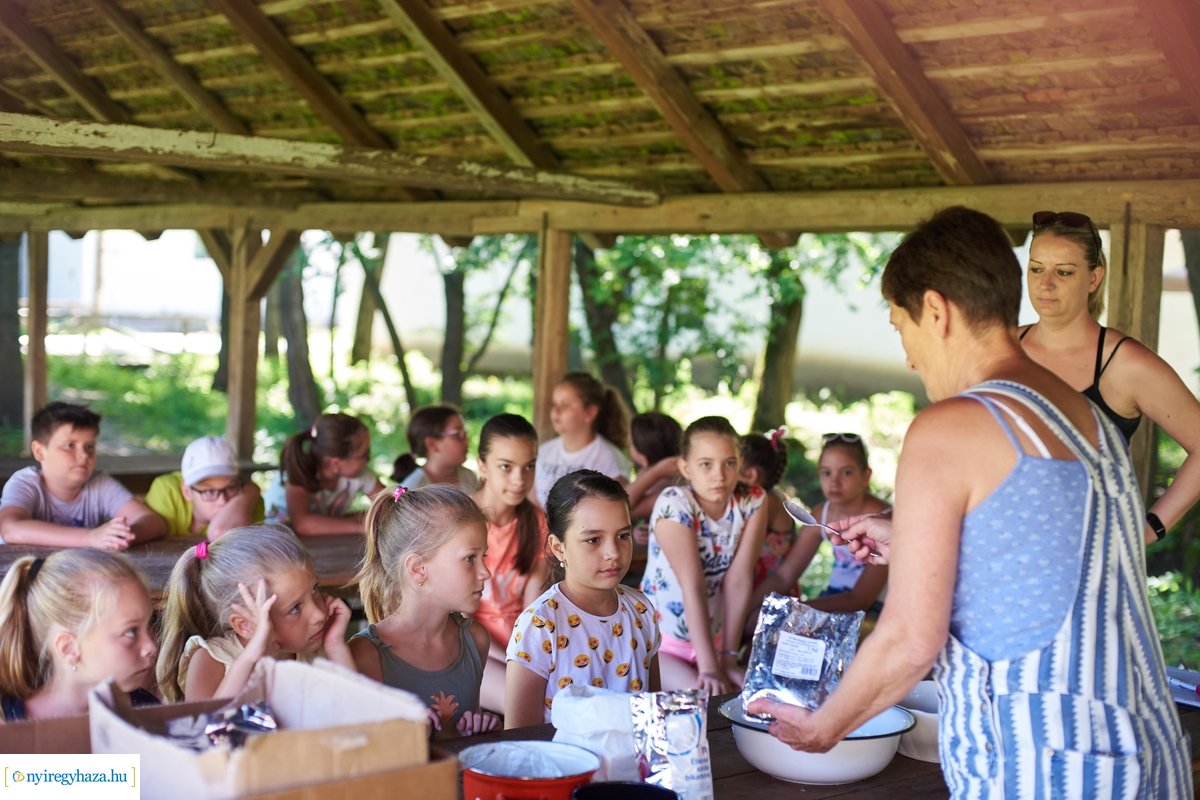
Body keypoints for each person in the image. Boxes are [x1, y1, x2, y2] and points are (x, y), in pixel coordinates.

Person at [749, 207, 1191, 798]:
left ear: (936, 310)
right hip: (1144, 758)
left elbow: (910, 640)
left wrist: (822, 727)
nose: (908, 355)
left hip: (1039, 765)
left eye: (901, 327)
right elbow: (1035, 554)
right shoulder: (1083, 411)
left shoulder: (952, 426)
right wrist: (908, 538)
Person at [1019, 209, 1200, 544]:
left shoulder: (1125, 363)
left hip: (1092, 565)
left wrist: (1150, 529)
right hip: (1000, 560)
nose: (1045, 284)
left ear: (1093, 278)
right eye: (1036, 268)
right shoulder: (1003, 348)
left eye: (1063, 272)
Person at [505, 470, 660, 727]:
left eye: (623, 536)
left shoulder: (641, 610)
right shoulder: (540, 627)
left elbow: (653, 714)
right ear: (558, 548)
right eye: (593, 540)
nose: (612, 553)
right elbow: (520, 741)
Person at [350, 485, 500, 739]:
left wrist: (483, 728)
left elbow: (465, 737)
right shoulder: (367, 656)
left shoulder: (475, 640)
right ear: (419, 568)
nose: (485, 572)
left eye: (483, 557)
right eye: (469, 558)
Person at [639, 416, 767, 694]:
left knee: (749, 695)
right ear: (685, 467)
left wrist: (727, 658)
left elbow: (739, 580)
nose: (719, 475)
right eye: (706, 464)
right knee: (705, 699)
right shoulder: (674, 503)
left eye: (729, 463)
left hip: (716, 640)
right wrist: (710, 669)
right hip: (661, 642)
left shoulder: (753, 500)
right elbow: (692, 585)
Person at [155, 526, 354, 703]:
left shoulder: (309, 650)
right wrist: (250, 658)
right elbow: (204, 729)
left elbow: (356, 706)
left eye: (315, 590)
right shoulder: (212, 660)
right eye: (295, 608)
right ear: (245, 626)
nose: (319, 615)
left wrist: (335, 645)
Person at [0, 549, 158, 720]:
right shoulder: (8, 724)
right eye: (131, 632)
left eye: (149, 624)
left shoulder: (146, 711)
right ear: (68, 648)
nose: (151, 647)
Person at [752, 432, 889, 621]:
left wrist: (790, 611)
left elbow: (860, 599)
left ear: (866, 476)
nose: (834, 482)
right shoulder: (821, 515)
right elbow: (785, 576)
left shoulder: (883, 521)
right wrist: (747, 610)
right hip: (835, 596)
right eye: (826, 472)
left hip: (877, 610)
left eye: (846, 472)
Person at [0, 402, 165, 548]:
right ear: (39, 451)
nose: (84, 455)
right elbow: (10, 529)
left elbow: (153, 522)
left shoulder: (99, 484)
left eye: (90, 446)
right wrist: (90, 537)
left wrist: (117, 537)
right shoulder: (25, 483)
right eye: (70, 445)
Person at [470, 413, 549, 714]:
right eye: (506, 467)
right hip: (472, 646)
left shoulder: (536, 522)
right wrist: (513, 661)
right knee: (528, 705)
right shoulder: (461, 521)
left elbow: (533, 609)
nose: (519, 479)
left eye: (529, 466)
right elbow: (459, 620)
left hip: (520, 645)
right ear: (481, 465)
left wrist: (528, 658)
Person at [263, 412, 384, 535]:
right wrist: (365, 525)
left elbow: (389, 503)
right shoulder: (299, 472)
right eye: (364, 455)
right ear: (336, 463)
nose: (369, 459)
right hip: (272, 542)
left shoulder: (359, 473)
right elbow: (303, 524)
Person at [535, 373, 632, 508]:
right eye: (554, 404)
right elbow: (532, 499)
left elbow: (616, 508)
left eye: (566, 405)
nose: (556, 411)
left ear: (590, 413)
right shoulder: (544, 451)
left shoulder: (609, 458)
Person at [145, 435, 264, 540]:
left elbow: (220, 532)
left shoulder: (248, 503)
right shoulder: (167, 491)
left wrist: (249, 494)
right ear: (187, 492)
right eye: (210, 491)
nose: (222, 500)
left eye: (230, 488)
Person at [392, 405, 479, 492]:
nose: (467, 440)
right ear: (432, 444)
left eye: (465, 433)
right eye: (457, 434)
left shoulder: (468, 476)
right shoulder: (414, 489)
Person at [626, 411, 684, 525]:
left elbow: (622, 506)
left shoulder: (670, 486)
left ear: (644, 457)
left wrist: (656, 472)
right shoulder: (644, 473)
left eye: (630, 444)